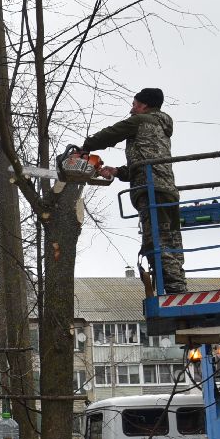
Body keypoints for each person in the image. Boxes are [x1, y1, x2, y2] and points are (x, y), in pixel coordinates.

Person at [79, 88, 187, 294]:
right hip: (167, 189)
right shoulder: (160, 128)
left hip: (150, 191)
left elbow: (112, 134)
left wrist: (86, 146)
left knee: (156, 240)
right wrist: (118, 171)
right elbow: (147, 160)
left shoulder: (141, 121)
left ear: (144, 105)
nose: (132, 109)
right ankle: (177, 285)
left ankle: (173, 292)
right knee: (171, 239)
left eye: (134, 104)